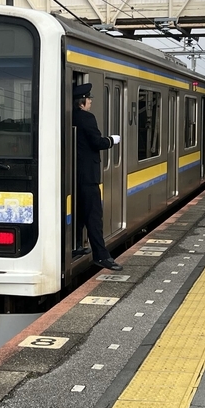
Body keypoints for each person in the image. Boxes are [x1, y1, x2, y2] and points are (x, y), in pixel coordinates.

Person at [72, 82, 122, 271]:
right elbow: (96, 142)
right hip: (88, 177)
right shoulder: (87, 118)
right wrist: (111, 140)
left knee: (78, 213)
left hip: (74, 176)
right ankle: (101, 256)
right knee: (94, 217)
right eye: (89, 99)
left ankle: (76, 246)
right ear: (82, 102)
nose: (91, 102)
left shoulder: (69, 116)